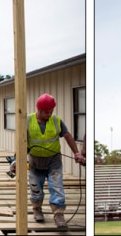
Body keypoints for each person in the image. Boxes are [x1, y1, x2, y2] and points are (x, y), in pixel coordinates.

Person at [27, 93, 84, 228]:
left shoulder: (56, 121)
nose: (49, 114)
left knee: (57, 187)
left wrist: (76, 152)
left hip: (53, 161)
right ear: (39, 110)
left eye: (51, 111)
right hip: (34, 161)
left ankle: (59, 214)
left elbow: (68, 136)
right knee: (35, 188)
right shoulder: (28, 120)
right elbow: (21, 140)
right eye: (47, 112)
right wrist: (18, 159)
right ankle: (37, 209)